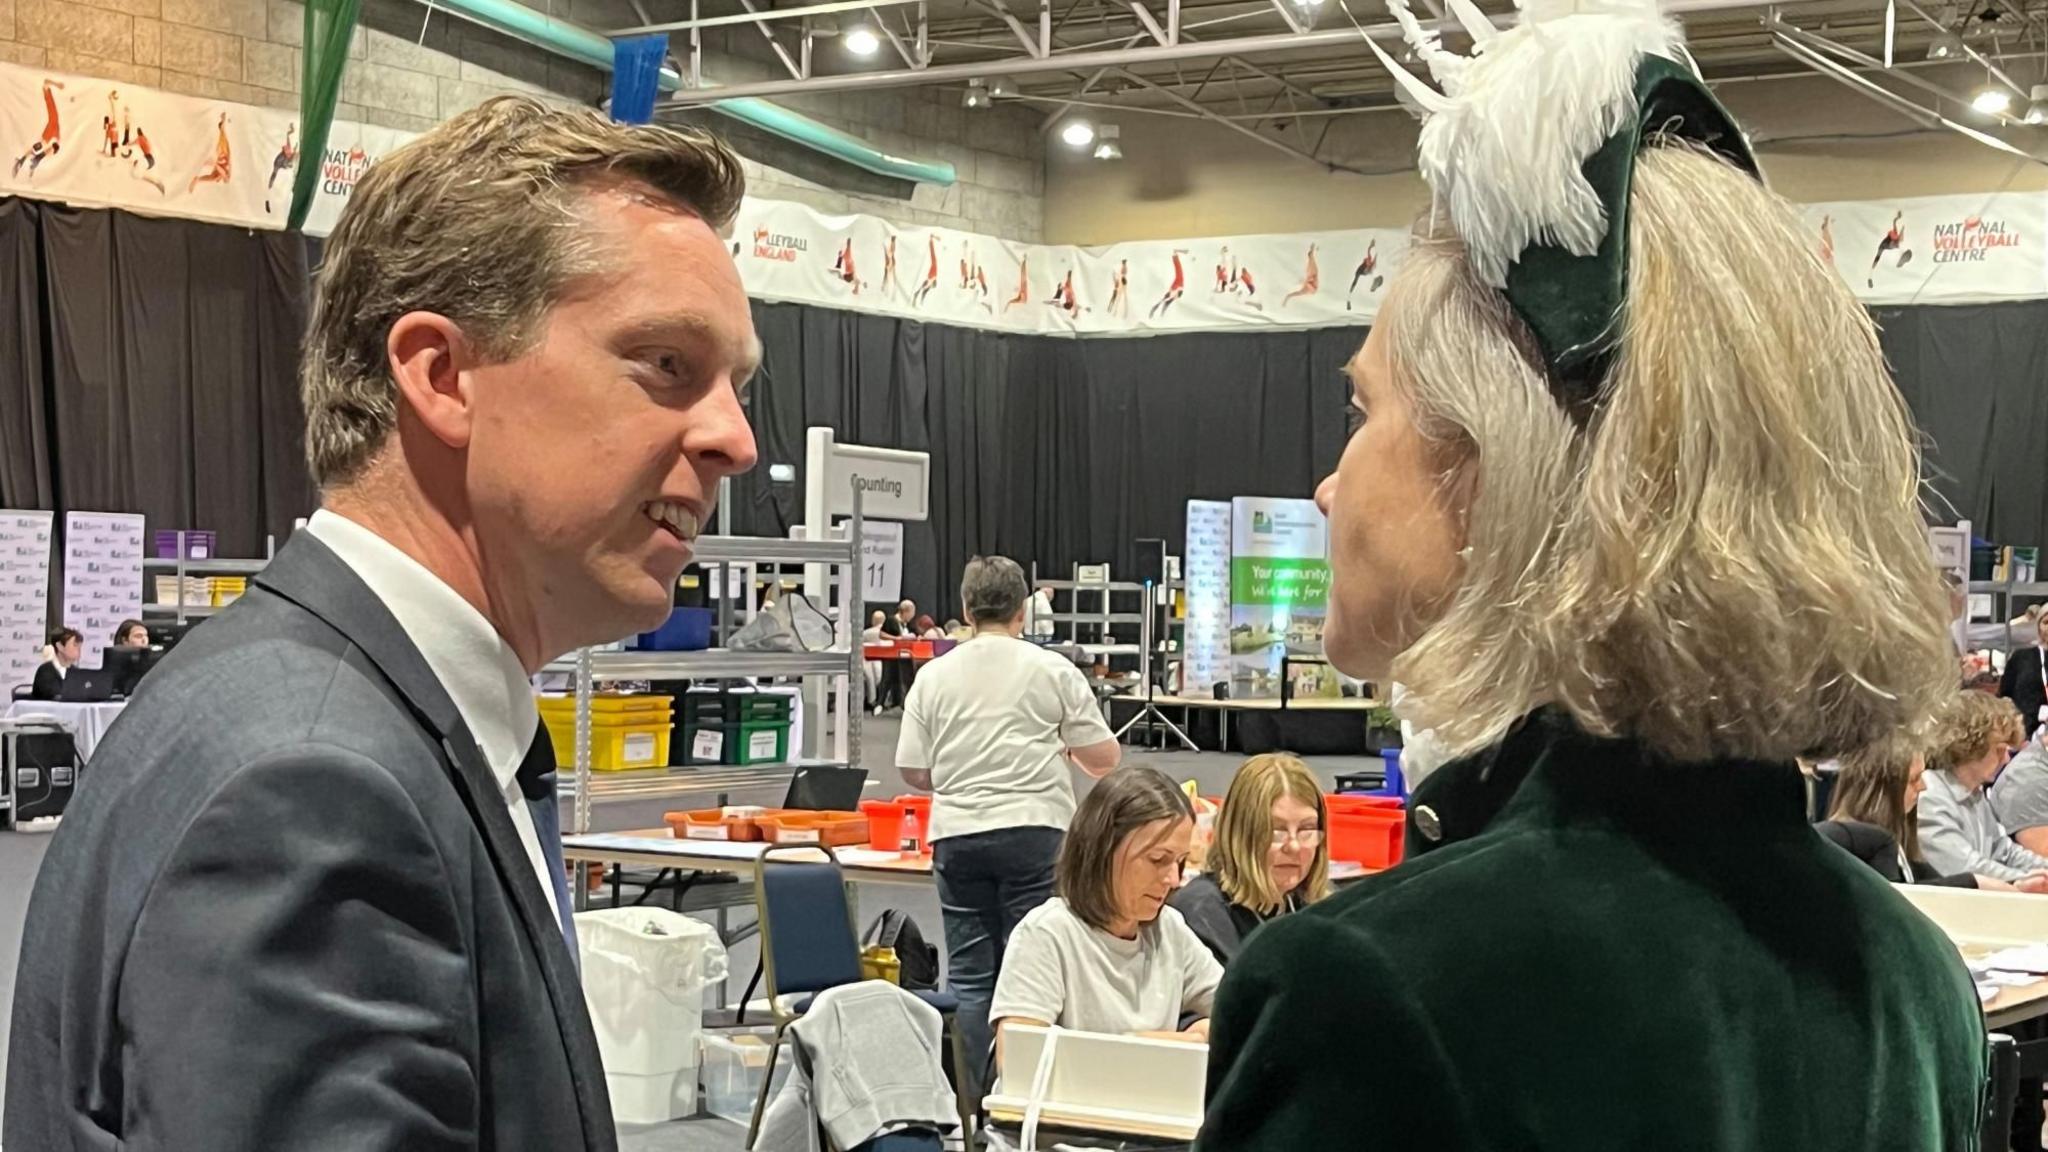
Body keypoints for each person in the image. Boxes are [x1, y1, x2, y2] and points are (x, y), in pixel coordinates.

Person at [1199, 8, 1984, 1150]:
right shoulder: (1911, 975)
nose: (1327, 485)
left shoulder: (1372, 985)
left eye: (1361, 410)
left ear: (1483, 467)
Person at [7, 97, 758, 1151]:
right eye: (666, 364)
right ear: (443, 377)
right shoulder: (312, 787)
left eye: (734, 382)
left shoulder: (341, 713)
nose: (734, 438)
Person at [896, 555, 1121, 1094]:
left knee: (972, 980)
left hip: (958, 835)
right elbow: (1105, 758)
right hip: (1036, 832)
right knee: (1039, 972)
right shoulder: (1051, 670)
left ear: (965, 609)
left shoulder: (933, 675)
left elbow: (912, 769)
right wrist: (1065, 748)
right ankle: (1028, 1098)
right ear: (1024, 611)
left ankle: (975, 1109)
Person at [988, 766, 1221, 1059]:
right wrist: (1138, 1046)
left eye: (1181, 861)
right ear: (1102, 851)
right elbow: (1017, 1059)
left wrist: (1200, 1033)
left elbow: (1244, 1012)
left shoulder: (1169, 931)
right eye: (1158, 859)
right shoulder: (1047, 934)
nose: (1173, 879)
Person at [1167, 753, 1330, 964]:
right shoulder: (1202, 912)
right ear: (1240, 834)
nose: (1294, 846)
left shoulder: (1310, 904)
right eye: (1276, 830)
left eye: (1306, 829)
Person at [1823, 734, 2023, 890]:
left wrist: (2014, 884)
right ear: (1882, 789)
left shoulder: (1897, 844)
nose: (1923, 787)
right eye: (1913, 779)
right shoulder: (1850, 847)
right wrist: (1974, 882)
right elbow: (1899, 898)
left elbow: (1926, 878)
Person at [1919, 691, 2048, 884]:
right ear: (1968, 745)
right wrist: (2025, 879)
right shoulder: (1930, 795)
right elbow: (1965, 868)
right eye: (1999, 750)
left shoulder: (1975, 794)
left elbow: (2006, 852)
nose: (2005, 759)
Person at [2002, 610, 2048, 739]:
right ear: (2038, 627)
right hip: (2024, 735)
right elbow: (2005, 696)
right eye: (2046, 622)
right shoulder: (2021, 657)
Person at [13, 79, 64, 180]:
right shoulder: (46, 91)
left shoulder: (48, 93)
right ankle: (23, 160)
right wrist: (57, 84)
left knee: (54, 146)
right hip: (52, 127)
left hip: (53, 127)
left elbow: (47, 83)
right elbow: (46, 81)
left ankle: (34, 159)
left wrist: (56, 85)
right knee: (46, 144)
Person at [28, 627, 81, 701]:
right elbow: (54, 696)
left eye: (79, 646)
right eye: (75, 645)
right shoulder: (45, 671)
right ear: (60, 646)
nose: (79, 649)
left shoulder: (77, 673)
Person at [187, 112, 231, 193]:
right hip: (223, 157)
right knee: (223, 178)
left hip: (221, 159)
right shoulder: (224, 174)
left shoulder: (217, 175)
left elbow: (218, 174)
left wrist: (215, 165)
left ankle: (198, 180)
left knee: (215, 177)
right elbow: (225, 172)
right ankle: (198, 180)